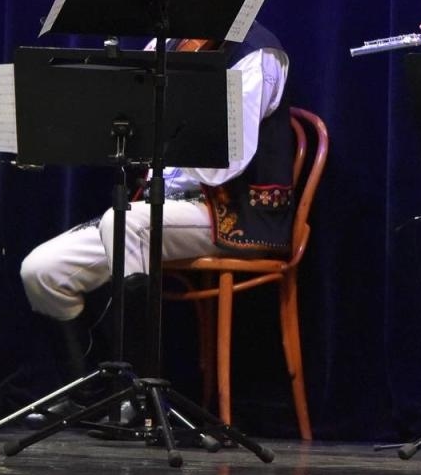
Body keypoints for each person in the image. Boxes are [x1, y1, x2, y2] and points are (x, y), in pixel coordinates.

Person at [18, 26, 292, 406]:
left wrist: (158, 129)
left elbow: (223, 164)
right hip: (152, 207)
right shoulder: (166, 45)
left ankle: (142, 394)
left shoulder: (256, 54)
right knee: (42, 271)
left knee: (125, 223)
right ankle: (91, 394)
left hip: (230, 211)